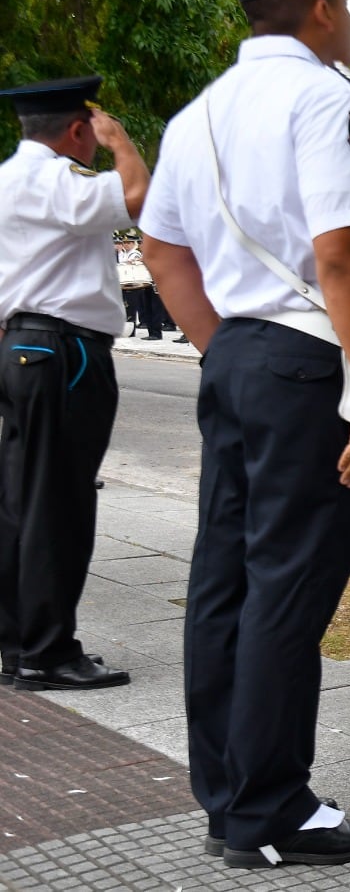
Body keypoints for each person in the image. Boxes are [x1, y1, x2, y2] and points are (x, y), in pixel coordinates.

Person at [139, 0, 350, 868]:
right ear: (324, 8)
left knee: (226, 582)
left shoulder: (193, 116)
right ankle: (271, 809)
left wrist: (224, 348)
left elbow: (163, 251)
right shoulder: (328, 102)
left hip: (240, 356)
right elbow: (343, 252)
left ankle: (228, 792)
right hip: (307, 362)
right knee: (288, 587)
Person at [0, 75, 148, 692]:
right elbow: (139, 194)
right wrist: (123, 143)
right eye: (93, 130)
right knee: (59, 503)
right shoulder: (54, 181)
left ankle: (19, 642)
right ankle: (49, 651)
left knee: (21, 502)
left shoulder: (7, 178)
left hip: (24, 345)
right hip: (63, 349)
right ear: (78, 129)